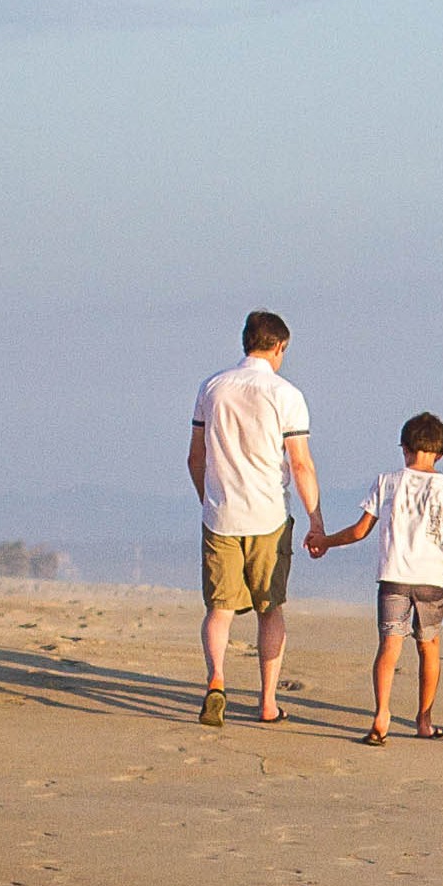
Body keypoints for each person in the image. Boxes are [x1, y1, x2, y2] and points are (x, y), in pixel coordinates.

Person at [307, 413, 443, 744]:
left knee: (389, 647)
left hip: (393, 578)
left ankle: (382, 714)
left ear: (405, 447)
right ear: (441, 453)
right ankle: (424, 720)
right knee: (429, 648)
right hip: (430, 582)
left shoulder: (387, 482)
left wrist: (325, 541)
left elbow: (359, 531)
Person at [189, 310, 325, 728]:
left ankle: (217, 679)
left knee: (220, 609)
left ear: (246, 342)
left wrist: (207, 499)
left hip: (221, 513)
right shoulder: (286, 393)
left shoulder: (212, 387)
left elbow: (196, 457)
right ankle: (267, 701)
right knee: (270, 609)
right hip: (268, 514)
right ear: (279, 346)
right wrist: (316, 520)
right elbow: (300, 464)